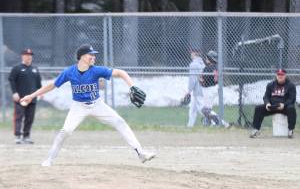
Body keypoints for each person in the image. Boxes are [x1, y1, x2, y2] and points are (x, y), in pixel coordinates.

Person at [20, 44, 155, 166]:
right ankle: (49, 160)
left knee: (120, 122)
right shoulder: (69, 72)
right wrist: (31, 96)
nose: (93, 57)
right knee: (65, 131)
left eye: (93, 55)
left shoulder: (96, 70)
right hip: (79, 106)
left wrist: (132, 86)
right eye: (91, 54)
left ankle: (141, 153)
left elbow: (120, 73)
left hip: (97, 105)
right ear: (82, 57)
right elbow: (52, 85)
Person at [184, 49, 229, 127]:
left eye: (208, 58)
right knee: (205, 109)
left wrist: (199, 78)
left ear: (211, 59)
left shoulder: (208, 68)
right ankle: (208, 124)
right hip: (214, 88)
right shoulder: (215, 67)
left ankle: (222, 123)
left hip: (209, 89)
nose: (206, 59)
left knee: (205, 110)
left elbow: (203, 80)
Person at [250, 69, 296, 139]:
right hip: (272, 106)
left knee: (291, 108)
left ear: (285, 76)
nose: (280, 76)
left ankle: (290, 130)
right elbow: (266, 96)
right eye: (278, 75)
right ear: (276, 75)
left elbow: (292, 99)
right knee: (258, 108)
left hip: (284, 107)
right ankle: (256, 129)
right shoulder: (270, 85)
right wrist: (267, 103)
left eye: (282, 75)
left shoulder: (291, 86)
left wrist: (284, 104)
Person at [8, 48, 42, 144]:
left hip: (32, 98)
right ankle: (18, 136)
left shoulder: (35, 69)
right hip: (20, 98)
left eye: (30, 55)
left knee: (30, 118)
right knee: (19, 117)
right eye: (27, 55)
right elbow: (11, 80)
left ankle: (26, 136)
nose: (29, 57)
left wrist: (40, 94)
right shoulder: (17, 68)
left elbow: (38, 84)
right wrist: (14, 92)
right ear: (22, 56)